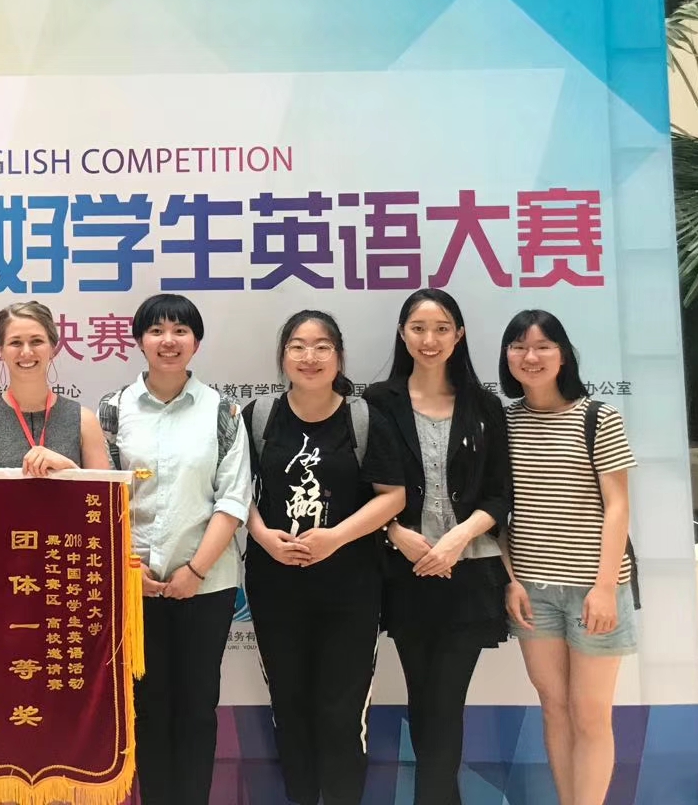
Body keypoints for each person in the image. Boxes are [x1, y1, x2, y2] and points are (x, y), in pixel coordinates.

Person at [243, 309, 405, 805]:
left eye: (321, 347)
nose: (309, 357)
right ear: (283, 356)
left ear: (338, 357)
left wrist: (335, 538)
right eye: (297, 345)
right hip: (276, 589)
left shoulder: (363, 419)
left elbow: (393, 496)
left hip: (350, 592)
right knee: (289, 707)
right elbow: (233, 493)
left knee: (342, 713)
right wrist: (264, 536)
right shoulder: (258, 417)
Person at [97, 294, 250, 805]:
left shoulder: (223, 410)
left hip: (206, 587)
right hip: (135, 585)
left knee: (197, 708)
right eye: (157, 330)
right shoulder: (113, 409)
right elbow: (103, 497)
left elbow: (232, 499)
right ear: (139, 341)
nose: (169, 341)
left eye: (180, 331)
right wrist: (128, 568)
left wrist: (195, 571)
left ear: (196, 342)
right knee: (147, 707)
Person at [363, 289, 509, 805]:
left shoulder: (484, 405)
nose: (430, 339)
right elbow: (362, 485)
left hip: (468, 574)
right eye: (419, 328)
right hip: (403, 574)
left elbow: (500, 493)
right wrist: (393, 531)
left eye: (442, 328)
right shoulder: (377, 402)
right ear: (402, 333)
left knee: (445, 702)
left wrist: (457, 538)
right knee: (424, 699)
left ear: (459, 335)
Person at [499, 309, 636, 805]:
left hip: (594, 588)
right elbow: (496, 511)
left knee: (591, 713)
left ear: (564, 355)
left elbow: (617, 507)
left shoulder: (598, 417)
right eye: (519, 346)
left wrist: (604, 588)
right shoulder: (503, 422)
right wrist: (511, 579)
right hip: (532, 591)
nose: (530, 356)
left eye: (543, 346)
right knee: (554, 707)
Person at [0, 300, 110, 473]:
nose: (26, 352)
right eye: (15, 343)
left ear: (53, 349)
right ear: (1, 351)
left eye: (36, 341)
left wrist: (70, 469)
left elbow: (104, 489)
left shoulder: (84, 420)